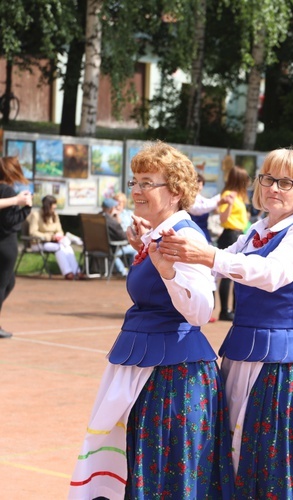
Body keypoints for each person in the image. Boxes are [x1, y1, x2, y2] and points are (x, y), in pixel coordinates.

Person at [158, 147, 293, 498]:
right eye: (268, 178)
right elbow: (214, 268)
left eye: (286, 182)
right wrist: (164, 250)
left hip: (283, 362)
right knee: (237, 449)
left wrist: (209, 255)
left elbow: (270, 274)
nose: (274, 187)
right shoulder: (256, 230)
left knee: (277, 457)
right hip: (241, 353)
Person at [69, 141, 233, 499]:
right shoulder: (160, 234)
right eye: (135, 182)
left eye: (148, 183)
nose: (138, 191)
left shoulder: (183, 236)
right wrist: (144, 247)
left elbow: (202, 310)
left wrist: (168, 272)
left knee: (163, 474)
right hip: (155, 367)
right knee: (147, 469)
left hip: (174, 376)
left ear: (174, 192)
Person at [0, 157, 32, 339]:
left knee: (9, 282)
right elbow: (9, 222)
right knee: (3, 284)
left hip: (3, 243)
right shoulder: (7, 190)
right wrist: (26, 207)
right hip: (5, 244)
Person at [216, 166, 250, 321]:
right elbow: (223, 219)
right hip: (230, 234)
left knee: (239, 274)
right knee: (228, 275)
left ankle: (236, 309)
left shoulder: (239, 197)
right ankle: (225, 310)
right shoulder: (229, 195)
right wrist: (229, 204)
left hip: (238, 234)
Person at [27, 194, 83, 280]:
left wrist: (58, 236)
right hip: (39, 243)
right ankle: (68, 272)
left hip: (53, 242)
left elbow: (60, 230)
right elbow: (33, 232)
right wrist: (49, 237)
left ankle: (76, 271)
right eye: (53, 206)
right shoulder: (36, 215)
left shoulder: (55, 215)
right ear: (47, 206)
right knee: (59, 248)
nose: (55, 208)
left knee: (67, 247)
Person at [100, 197, 136, 276]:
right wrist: (118, 222)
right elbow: (123, 237)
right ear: (111, 209)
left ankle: (124, 271)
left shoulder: (97, 218)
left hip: (96, 248)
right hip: (111, 249)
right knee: (136, 250)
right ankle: (129, 273)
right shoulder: (111, 221)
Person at [189, 173, 223, 243]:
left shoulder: (202, 200)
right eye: (196, 183)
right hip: (191, 233)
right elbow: (197, 209)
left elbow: (210, 202)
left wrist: (222, 196)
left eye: (200, 184)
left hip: (203, 232)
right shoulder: (188, 199)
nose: (198, 186)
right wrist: (218, 202)